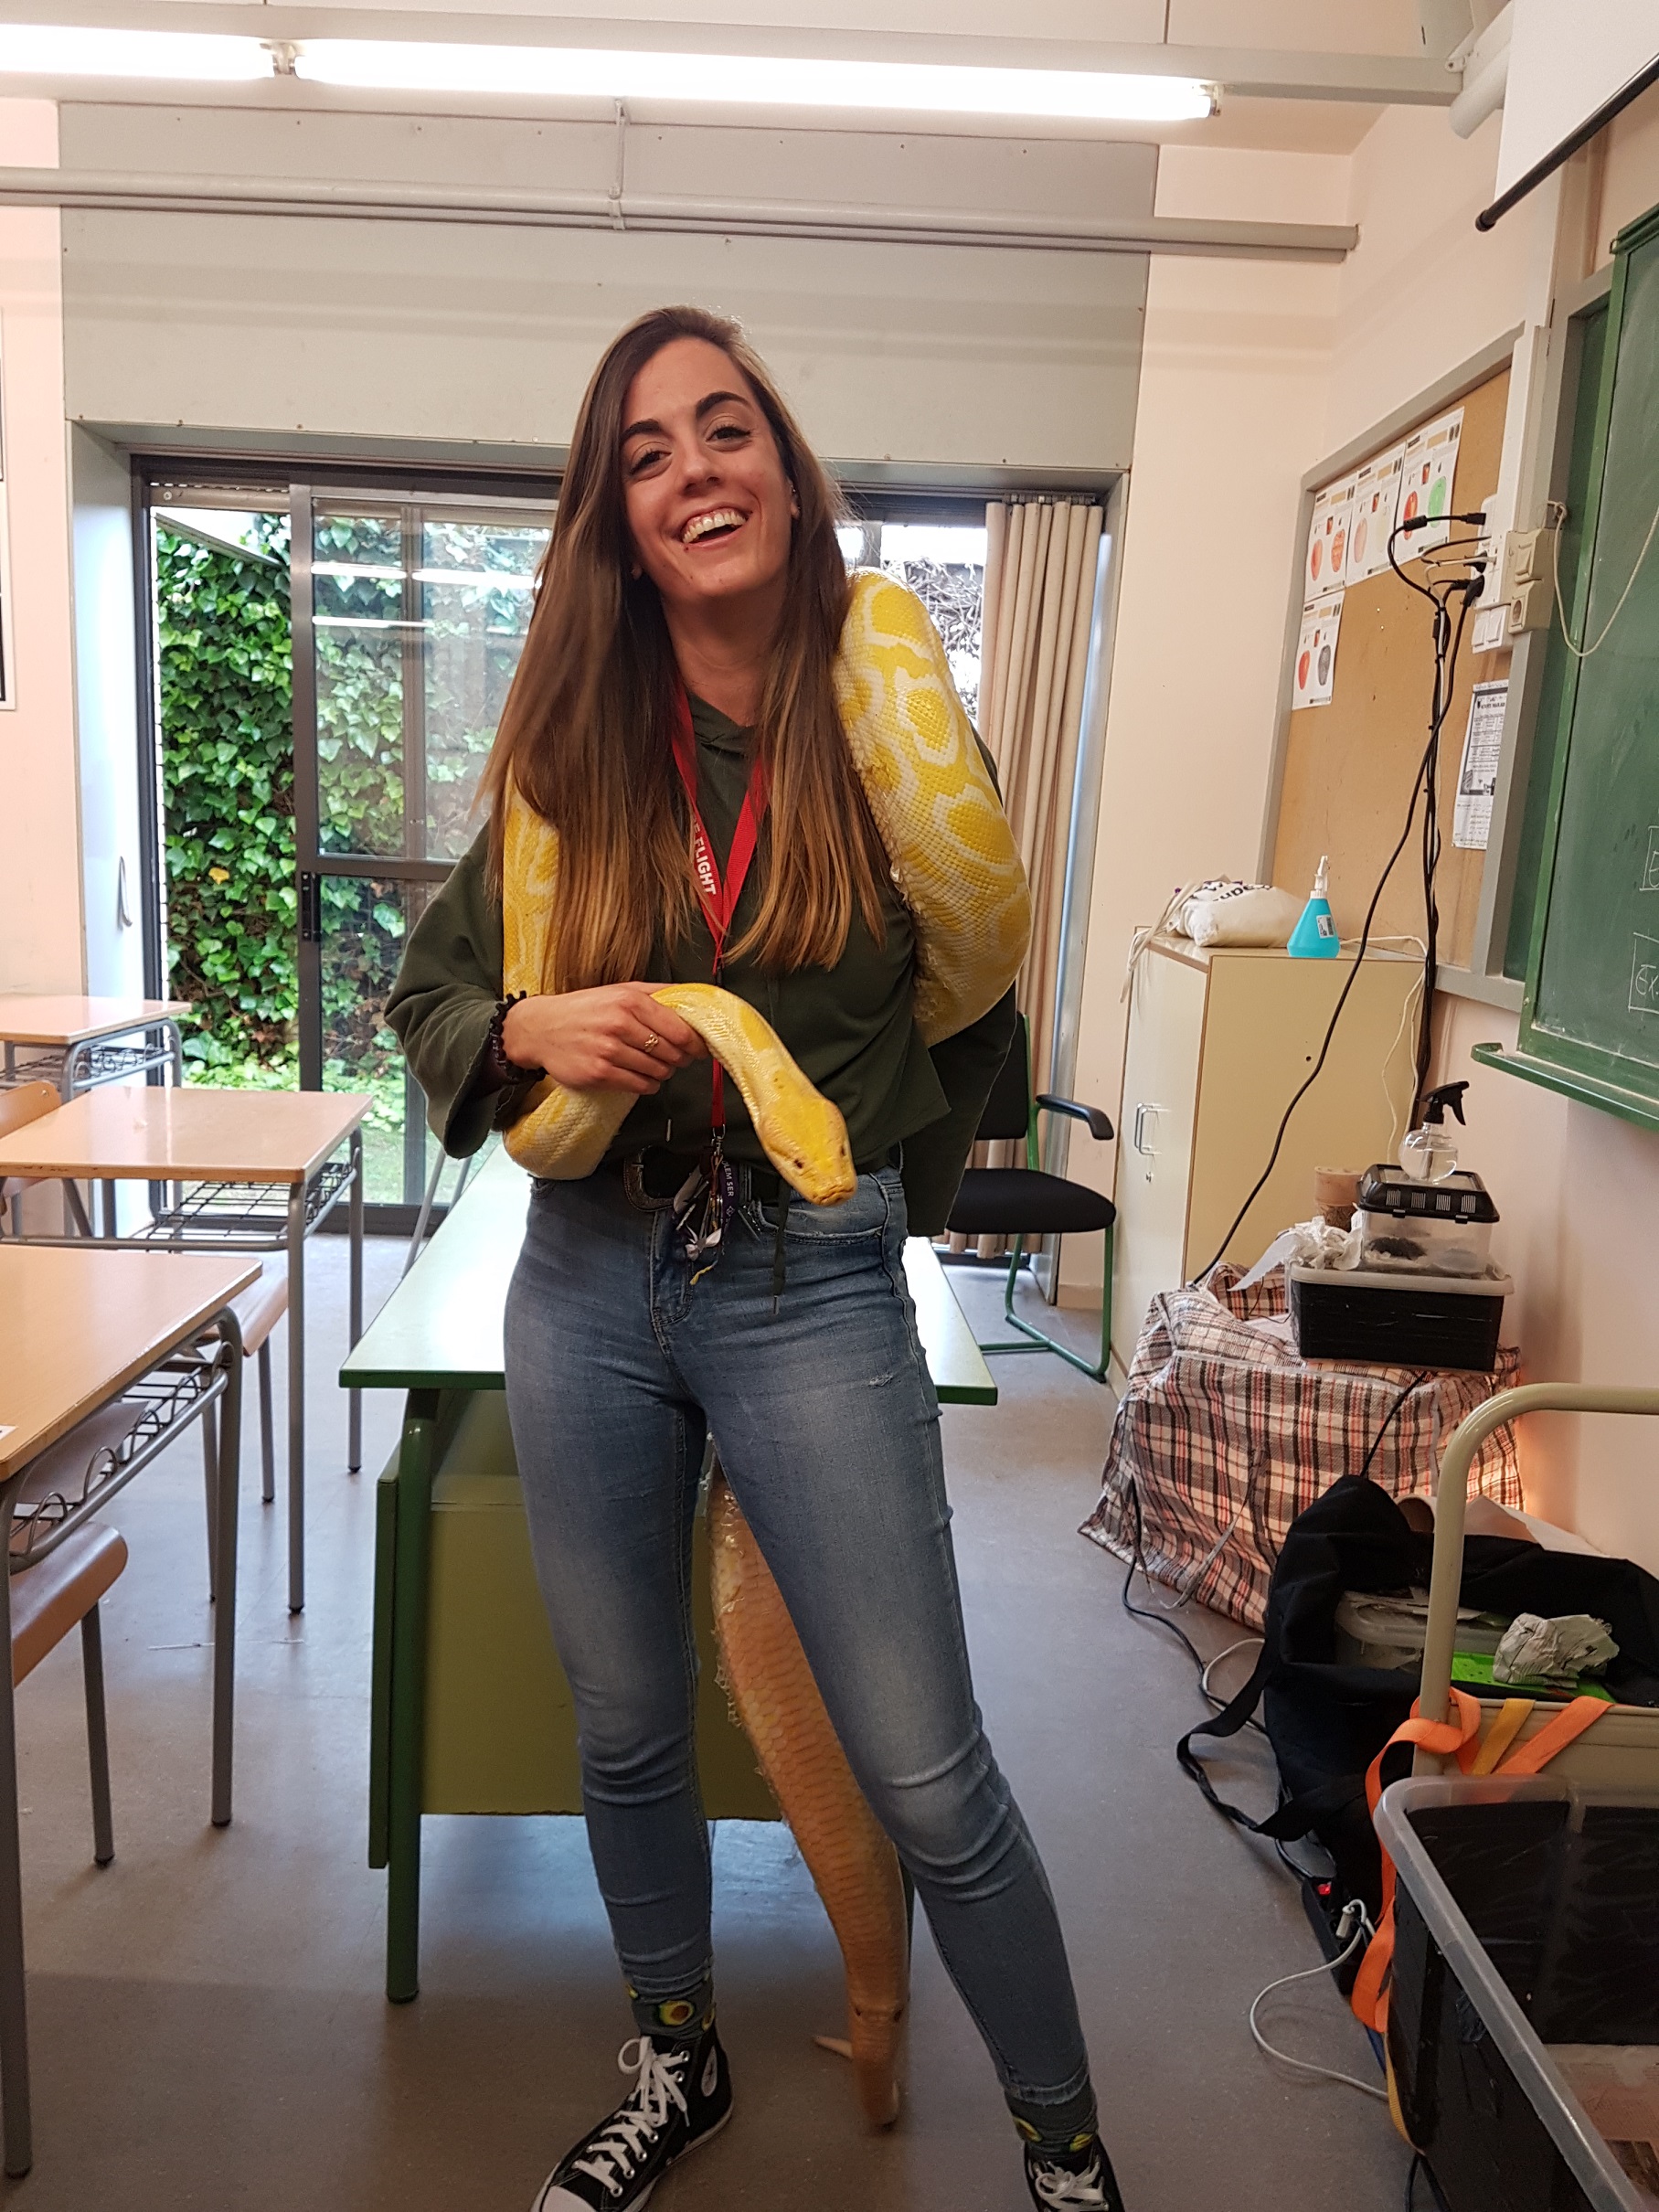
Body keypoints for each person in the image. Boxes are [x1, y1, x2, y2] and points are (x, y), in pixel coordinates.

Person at [387, 303, 1123, 2212]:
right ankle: (677, 2055)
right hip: (584, 1273)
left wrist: (886, 1200)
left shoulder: (884, 711)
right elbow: (431, 992)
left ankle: (1063, 2147)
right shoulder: (573, 749)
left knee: (925, 1765)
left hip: (808, 1277)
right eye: (643, 454)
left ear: (787, 477)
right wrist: (526, 1029)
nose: (692, 471)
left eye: (724, 430)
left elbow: (979, 1004)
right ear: (616, 521)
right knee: (627, 1723)